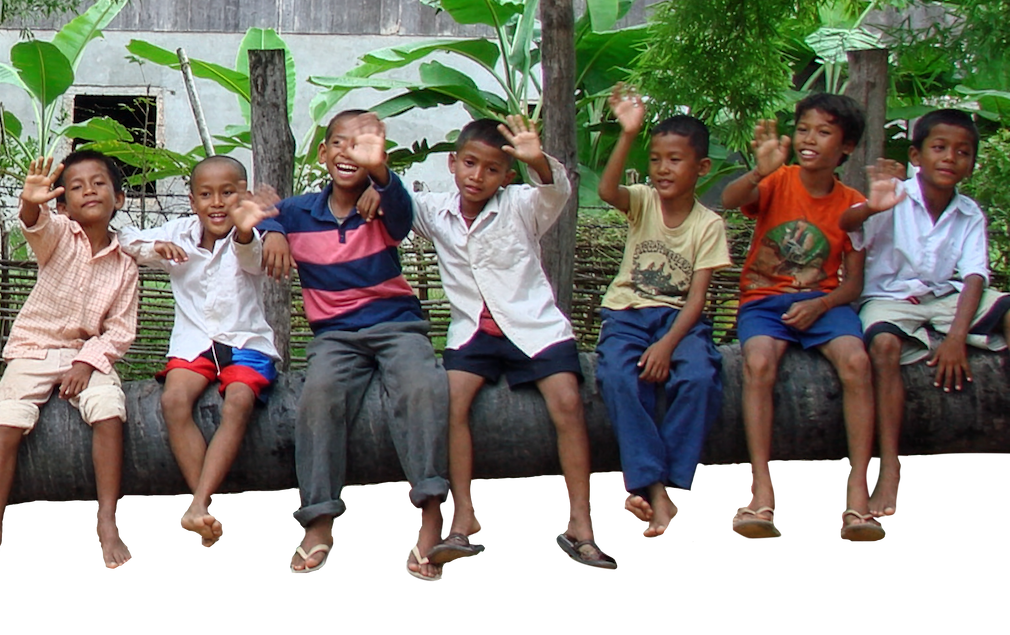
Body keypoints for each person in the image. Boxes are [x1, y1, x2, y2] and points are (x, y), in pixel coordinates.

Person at [413, 116, 617, 570]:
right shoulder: (434, 210)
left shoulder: (522, 204)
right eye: (469, 163)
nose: (476, 176)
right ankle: (464, 518)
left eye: (490, 169)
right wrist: (374, 185)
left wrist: (538, 161)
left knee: (568, 401)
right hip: (473, 333)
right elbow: (394, 204)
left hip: (534, 327)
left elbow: (555, 190)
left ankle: (581, 524)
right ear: (452, 162)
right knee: (454, 402)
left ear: (507, 176)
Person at [260, 110, 452, 581]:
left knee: (421, 388)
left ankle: (430, 515)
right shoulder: (298, 212)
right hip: (336, 336)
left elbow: (404, 216)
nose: (351, 153)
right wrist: (275, 231)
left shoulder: (382, 203)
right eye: (341, 144)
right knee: (317, 398)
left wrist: (382, 175)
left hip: (396, 325)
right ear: (323, 153)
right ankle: (320, 520)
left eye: (364, 145)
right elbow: (264, 212)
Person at [0, 151, 139, 587]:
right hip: (34, 348)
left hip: (87, 351)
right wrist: (29, 203)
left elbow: (119, 331)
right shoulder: (59, 235)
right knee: (6, 421)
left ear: (118, 197)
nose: (88, 191)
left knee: (109, 410)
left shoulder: (125, 264)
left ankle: (107, 521)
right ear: (63, 205)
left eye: (99, 183)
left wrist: (86, 361)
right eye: (76, 187)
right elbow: (35, 224)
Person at [721, 93, 878, 543]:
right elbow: (733, 199)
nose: (810, 139)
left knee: (856, 362)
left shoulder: (852, 204)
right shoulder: (778, 180)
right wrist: (759, 170)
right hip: (763, 302)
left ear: (845, 147)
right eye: (805, 129)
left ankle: (855, 494)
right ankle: (761, 488)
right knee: (758, 364)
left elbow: (853, 285)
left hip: (825, 304)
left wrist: (820, 306)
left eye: (824, 132)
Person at [841, 108, 1001, 527]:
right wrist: (871, 207)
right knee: (884, 345)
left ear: (971, 164)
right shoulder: (893, 194)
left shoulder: (969, 213)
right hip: (888, 298)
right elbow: (847, 224)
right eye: (939, 148)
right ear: (916, 155)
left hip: (942, 297)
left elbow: (974, 278)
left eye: (963, 152)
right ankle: (890, 466)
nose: (951, 158)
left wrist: (956, 338)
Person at [593, 86, 731, 540]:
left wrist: (668, 345)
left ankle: (660, 483)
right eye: (656, 159)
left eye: (675, 159)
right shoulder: (643, 202)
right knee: (616, 377)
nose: (662, 169)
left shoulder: (709, 224)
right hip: (628, 314)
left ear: (701, 167)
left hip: (679, 322)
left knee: (698, 378)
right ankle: (654, 488)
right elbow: (607, 188)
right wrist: (628, 133)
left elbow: (697, 299)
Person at [120, 156, 276, 551]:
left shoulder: (252, 236)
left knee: (239, 399)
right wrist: (156, 245)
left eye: (228, 193)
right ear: (192, 200)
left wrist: (244, 232)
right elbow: (125, 240)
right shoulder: (181, 233)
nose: (217, 203)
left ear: (243, 194)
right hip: (194, 343)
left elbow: (252, 259)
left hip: (244, 342)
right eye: (206, 194)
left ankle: (200, 502)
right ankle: (201, 506)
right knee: (174, 400)